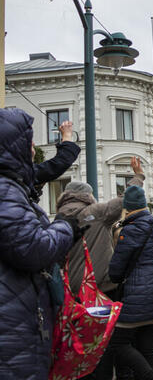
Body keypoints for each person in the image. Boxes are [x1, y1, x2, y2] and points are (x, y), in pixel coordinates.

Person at [0, 108, 79, 380]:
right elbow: (32, 248)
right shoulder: (6, 190)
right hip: (12, 330)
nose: (33, 148)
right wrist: (65, 226)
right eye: (28, 142)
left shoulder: (15, 185)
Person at [106, 182, 153, 380]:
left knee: (117, 343)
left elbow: (116, 271)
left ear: (127, 207)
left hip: (138, 294)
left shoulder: (130, 230)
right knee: (147, 346)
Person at [56, 157, 142, 297]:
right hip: (101, 286)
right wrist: (138, 176)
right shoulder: (95, 213)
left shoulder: (59, 218)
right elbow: (126, 199)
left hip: (73, 288)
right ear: (86, 196)